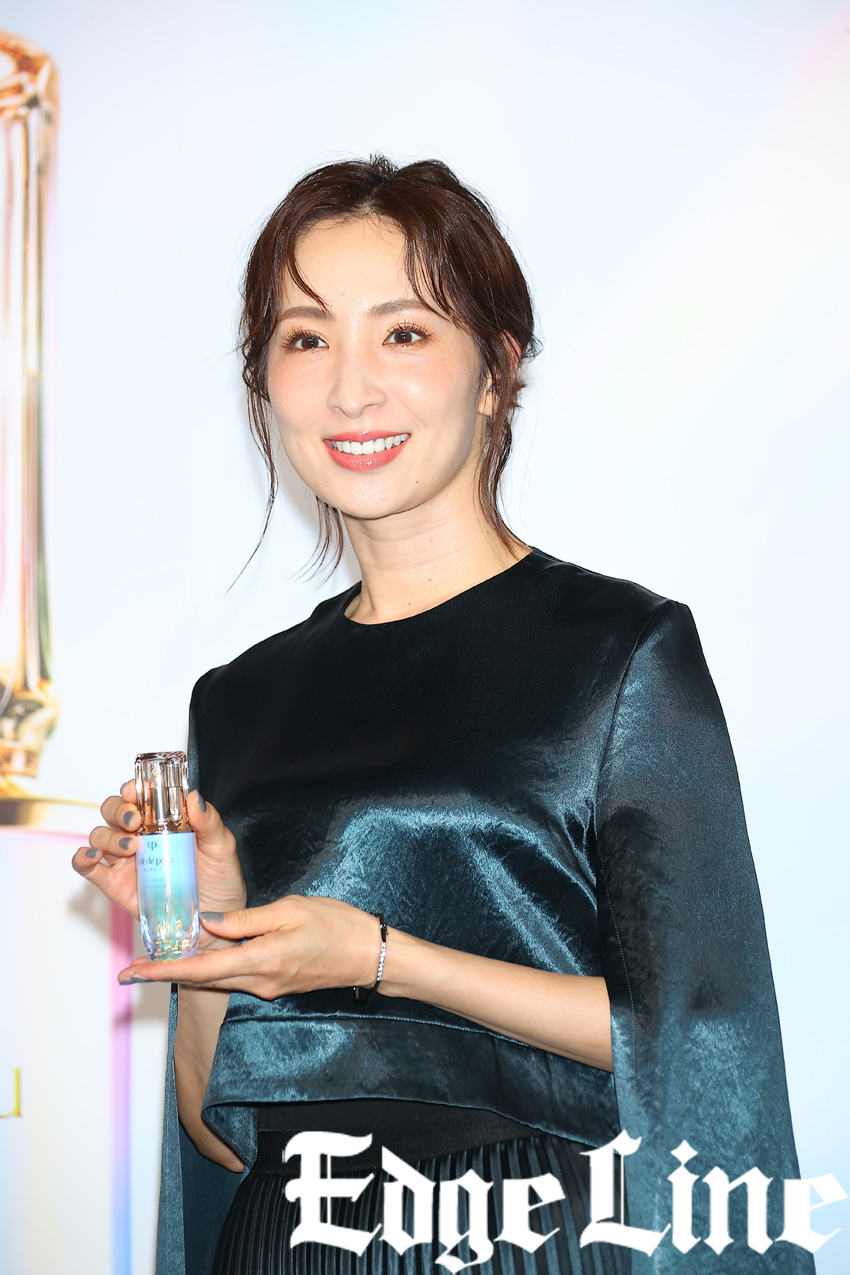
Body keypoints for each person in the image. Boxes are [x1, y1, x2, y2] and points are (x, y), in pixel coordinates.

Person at [74, 157, 813, 1275]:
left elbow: (700, 1045)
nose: (350, 390)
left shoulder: (619, 654)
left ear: (496, 371)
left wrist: (383, 959)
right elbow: (213, 1129)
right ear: (264, 381)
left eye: (405, 334)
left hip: (521, 1231)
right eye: (306, 339)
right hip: (292, 1239)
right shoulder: (238, 699)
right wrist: (208, 930)